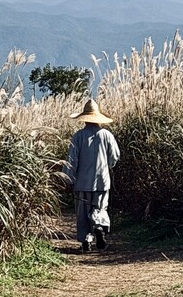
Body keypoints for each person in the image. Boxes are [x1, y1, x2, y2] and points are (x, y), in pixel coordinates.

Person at [63, 99, 120, 252]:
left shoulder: (78, 136)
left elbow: (71, 160)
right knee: (100, 208)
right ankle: (99, 228)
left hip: (82, 182)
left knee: (82, 213)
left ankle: (86, 240)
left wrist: (68, 179)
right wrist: (108, 166)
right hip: (102, 181)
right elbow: (114, 156)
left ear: (85, 118)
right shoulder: (107, 135)